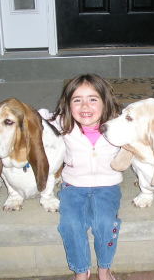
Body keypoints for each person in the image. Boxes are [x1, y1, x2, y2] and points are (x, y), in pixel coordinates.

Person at [43, 74, 123, 280]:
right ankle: (81, 271)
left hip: (108, 186)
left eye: (93, 99)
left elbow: (143, 129)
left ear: (106, 102)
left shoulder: (118, 126)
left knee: (105, 223)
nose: (85, 106)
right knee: (71, 223)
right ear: (68, 105)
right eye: (77, 100)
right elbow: (36, 117)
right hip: (73, 186)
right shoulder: (63, 123)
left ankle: (104, 269)